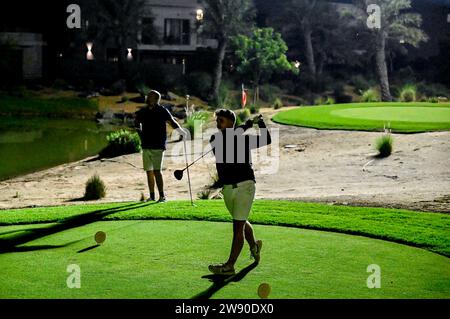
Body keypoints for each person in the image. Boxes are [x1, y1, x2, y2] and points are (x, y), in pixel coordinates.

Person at [208, 109, 272, 275]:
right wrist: (248, 125)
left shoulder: (243, 139)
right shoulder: (216, 139)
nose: (217, 123)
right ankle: (254, 246)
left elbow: (267, 139)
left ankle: (229, 266)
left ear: (230, 122)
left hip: (245, 185)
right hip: (228, 189)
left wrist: (260, 123)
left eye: (221, 120)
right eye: (217, 120)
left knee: (237, 227)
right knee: (241, 223)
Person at [134, 90, 187, 203]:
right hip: (146, 145)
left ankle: (162, 197)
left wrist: (181, 132)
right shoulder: (143, 111)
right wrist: (140, 133)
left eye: (149, 96)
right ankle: (152, 196)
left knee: (157, 171)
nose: (147, 97)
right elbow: (137, 122)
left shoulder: (162, 111)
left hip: (158, 145)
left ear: (155, 99)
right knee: (149, 171)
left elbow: (172, 122)